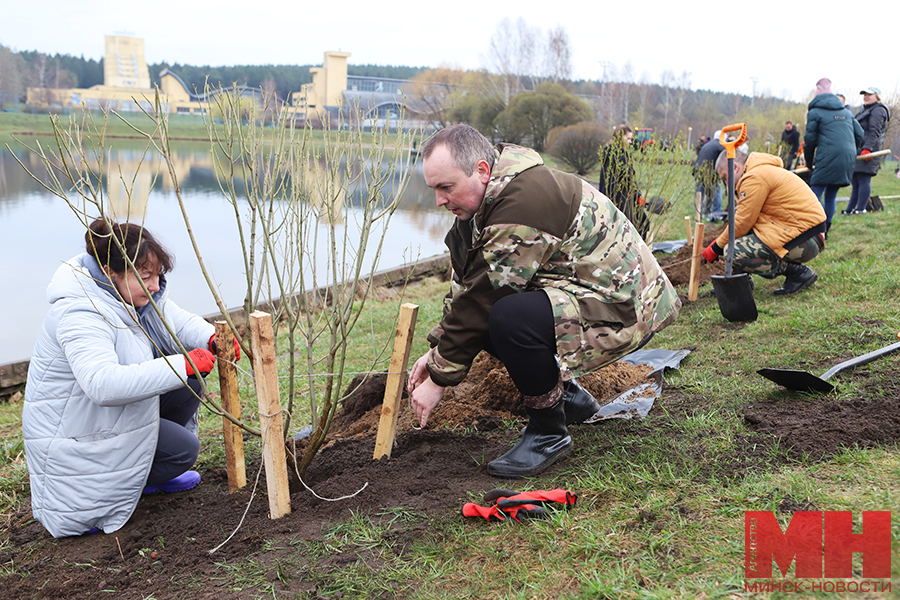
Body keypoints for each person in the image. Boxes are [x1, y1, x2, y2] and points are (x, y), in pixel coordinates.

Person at [406, 124, 681, 478]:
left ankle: (548, 433)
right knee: (493, 318)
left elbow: (485, 297)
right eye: (434, 189)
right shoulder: (486, 204)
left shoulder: (521, 203)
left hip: (626, 307)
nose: (439, 201)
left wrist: (439, 380)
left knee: (507, 316)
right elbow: (468, 289)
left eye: (446, 187)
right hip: (586, 292)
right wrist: (437, 351)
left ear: (482, 170)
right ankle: (567, 399)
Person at [22, 219, 237, 538]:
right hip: (75, 438)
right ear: (111, 272)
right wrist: (184, 363)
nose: (154, 285)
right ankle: (113, 492)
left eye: (157, 275)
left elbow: (176, 321)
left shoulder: (134, 296)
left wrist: (211, 339)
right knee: (184, 450)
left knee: (191, 381)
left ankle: (143, 470)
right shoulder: (81, 312)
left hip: (100, 419)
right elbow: (103, 385)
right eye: (145, 276)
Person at [702, 150, 827, 295]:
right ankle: (739, 279)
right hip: (806, 233)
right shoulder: (761, 171)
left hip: (806, 239)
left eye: (725, 178)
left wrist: (716, 247)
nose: (726, 184)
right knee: (741, 238)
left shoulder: (754, 177)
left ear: (735, 167)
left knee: (732, 251)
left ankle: (797, 272)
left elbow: (743, 222)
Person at [803, 77, 864, 233]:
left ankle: (819, 230)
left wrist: (809, 163)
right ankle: (826, 230)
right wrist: (851, 151)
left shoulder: (815, 112)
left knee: (815, 192)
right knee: (831, 195)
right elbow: (860, 134)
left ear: (816, 97)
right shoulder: (846, 112)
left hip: (827, 157)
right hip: (846, 159)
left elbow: (809, 140)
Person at [597, 124, 650, 239]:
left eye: (632, 139)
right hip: (622, 200)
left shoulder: (608, 154)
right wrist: (639, 198)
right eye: (628, 139)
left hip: (609, 200)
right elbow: (629, 181)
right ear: (620, 138)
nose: (631, 142)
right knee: (641, 224)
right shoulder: (621, 157)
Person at [845, 86, 892, 215]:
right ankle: (850, 210)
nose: (866, 96)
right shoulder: (864, 111)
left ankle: (861, 209)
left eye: (869, 94)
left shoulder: (878, 110)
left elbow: (874, 131)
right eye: (864, 94)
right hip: (859, 149)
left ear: (877, 97)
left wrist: (867, 149)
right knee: (855, 181)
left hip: (869, 150)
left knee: (863, 179)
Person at [694, 132, 725, 218]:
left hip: (698, 170)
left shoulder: (709, 144)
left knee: (700, 193)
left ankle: (699, 214)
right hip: (708, 172)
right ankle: (716, 213)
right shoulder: (720, 145)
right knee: (717, 191)